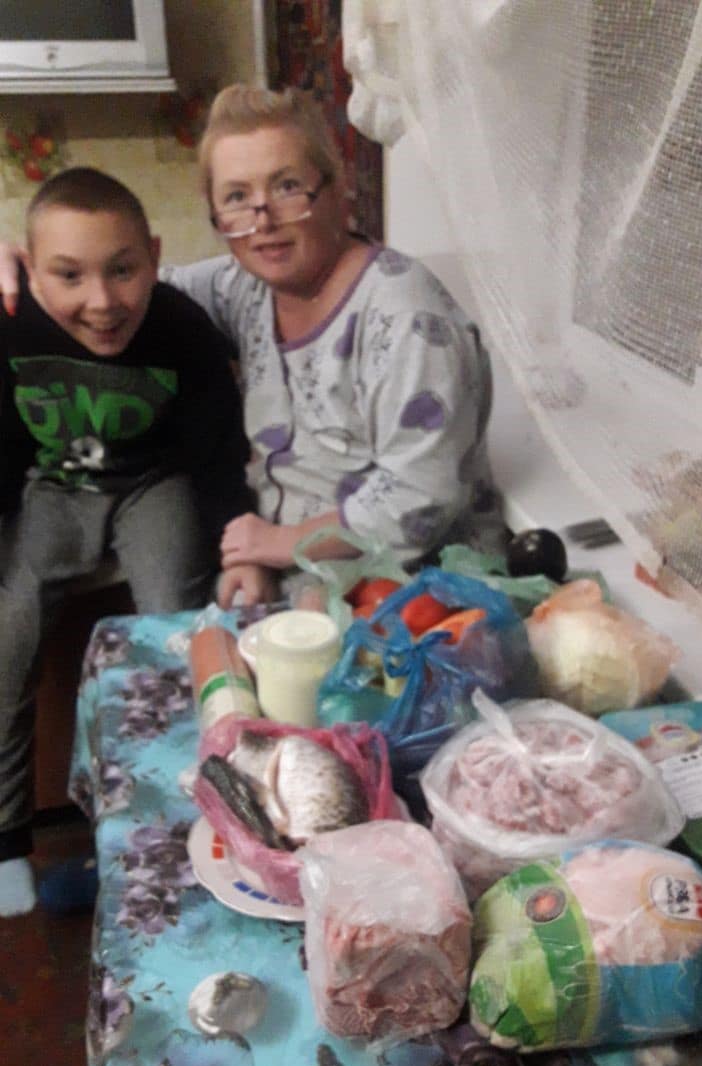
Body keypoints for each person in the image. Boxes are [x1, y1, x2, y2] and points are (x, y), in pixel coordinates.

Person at [0, 167, 252, 917]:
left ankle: (181, 825)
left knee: (177, 625)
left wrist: (237, 548)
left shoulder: (182, 329)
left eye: (122, 271)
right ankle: (9, 839)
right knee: (9, 634)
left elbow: (217, 455)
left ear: (154, 254)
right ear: (29, 267)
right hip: (55, 486)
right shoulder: (10, 323)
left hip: (155, 483)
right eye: (69, 276)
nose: (103, 303)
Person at [161, 84, 504, 608]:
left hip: (415, 594)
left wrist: (280, 545)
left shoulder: (406, 317)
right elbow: (132, 290)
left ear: (336, 184)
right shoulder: (244, 288)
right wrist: (31, 271)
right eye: (236, 198)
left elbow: (420, 499)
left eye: (287, 187)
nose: (262, 220)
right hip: (286, 574)